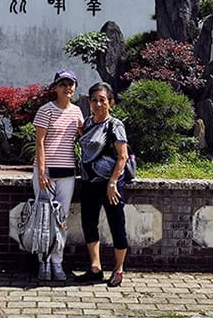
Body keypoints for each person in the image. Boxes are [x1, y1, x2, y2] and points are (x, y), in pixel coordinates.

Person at [32, 68, 84, 281]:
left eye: (70, 84)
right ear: (55, 87)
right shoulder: (46, 110)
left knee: (61, 218)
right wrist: (42, 171)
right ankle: (43, 262)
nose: (67, 88)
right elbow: (40, 142)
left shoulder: (78, 112)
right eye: (63, 84)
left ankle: (57, 261)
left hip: (67, 172)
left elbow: (85, 137)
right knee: (43, 216)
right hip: (46, 171)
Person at [76, 81, 129, 287]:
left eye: (102, 100)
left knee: (117, 226)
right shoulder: (88, 123)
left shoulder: (114, 125)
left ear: (111, 103)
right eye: (94, 100)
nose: (98, 104)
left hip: (110, 185)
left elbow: (122, 156)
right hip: (89, 183)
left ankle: (118, 269)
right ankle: (95, 267)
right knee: (89, 224)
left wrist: (113, 182)